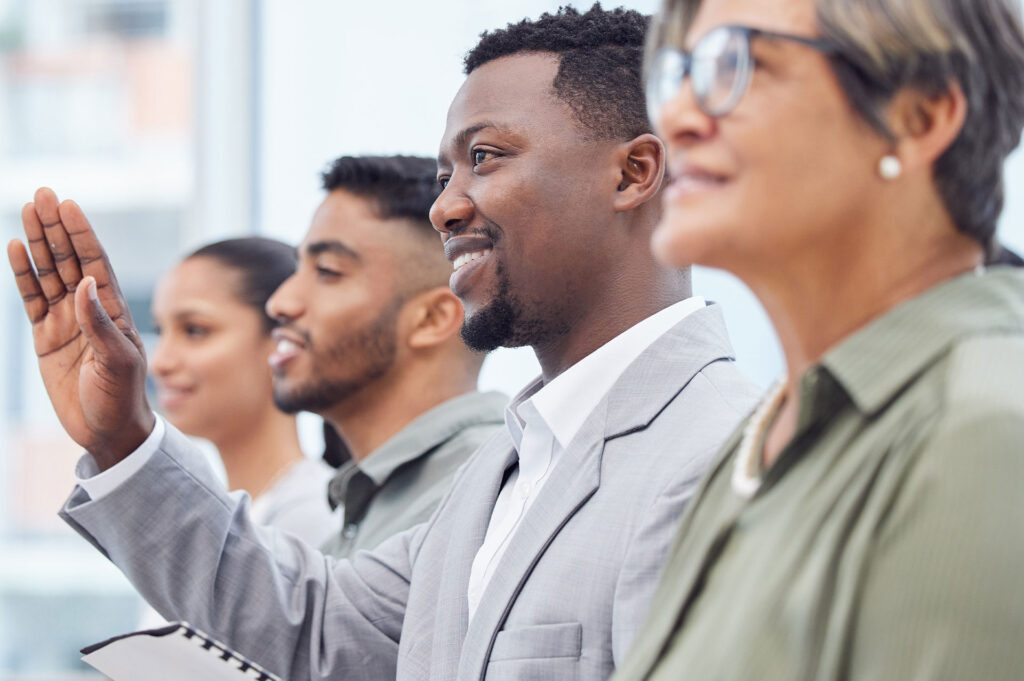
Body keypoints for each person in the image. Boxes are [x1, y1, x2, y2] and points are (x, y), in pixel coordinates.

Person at [8, 6, 758, 680]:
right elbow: (313, 626)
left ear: (633, 174)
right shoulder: (505, 469)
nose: (445, 206)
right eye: (445, 172)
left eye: (484, 157)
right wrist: (124, 438)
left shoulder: (720, 461)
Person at [612, 1, 1024, 679]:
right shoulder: (759, 442)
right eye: (677, 74)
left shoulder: (985, 434)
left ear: (919, 118)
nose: (677, 117)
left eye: (737, 64)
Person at [266, 155, 506, 558]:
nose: (280, 302)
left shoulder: (484, 495)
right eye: (298, 268)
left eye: (327, 271)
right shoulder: (368, 510)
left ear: (432, 319)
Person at [150, 237, 336, 548]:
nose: (159, 363)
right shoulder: (241, 515)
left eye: (195, 330)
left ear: (282, 345)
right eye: (161, 331)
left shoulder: (310, 522)